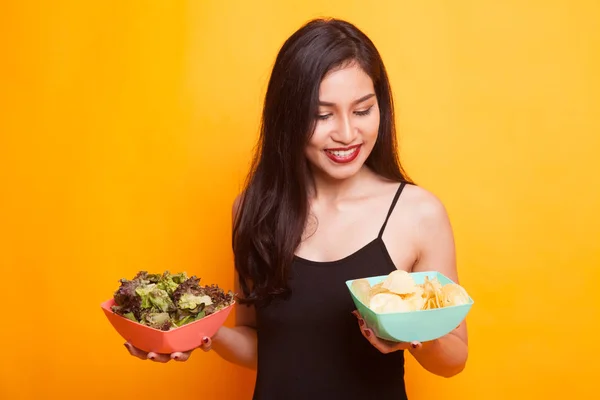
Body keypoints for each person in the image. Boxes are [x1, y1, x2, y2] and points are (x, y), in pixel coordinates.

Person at [125, 17, 469, 399]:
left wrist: (411, 336)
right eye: (321, 115)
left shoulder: (419, 213)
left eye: (362, 110)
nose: (346, 133)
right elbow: (267, 348)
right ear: (287, 117)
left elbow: (453, 359)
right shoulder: (254, 209)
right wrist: (197, 331)